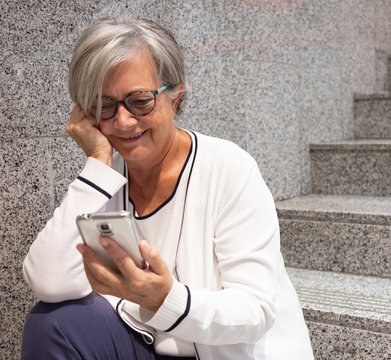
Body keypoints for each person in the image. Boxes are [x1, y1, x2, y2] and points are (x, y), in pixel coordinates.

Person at [21, 16, 313, 360]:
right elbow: (48, 282)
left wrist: (165, 298)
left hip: (226, 353)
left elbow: (255, 311)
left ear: (175, 98)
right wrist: (97, 163)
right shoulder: (106, 180)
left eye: (140, 101)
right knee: (51, 324)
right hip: (146, 344)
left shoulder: (228, 169)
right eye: (104, 106)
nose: (123, 121)